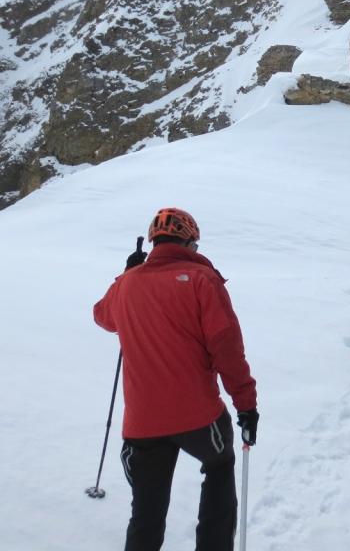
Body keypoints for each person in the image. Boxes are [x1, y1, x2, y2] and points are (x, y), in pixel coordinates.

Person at [93, 207, 258, 551]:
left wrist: (126, 274)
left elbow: (103, 316)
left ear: (154, 242)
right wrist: (246, 405)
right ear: (188, 242)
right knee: (220, 465)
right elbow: (226, 348)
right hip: (199, 417)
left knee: (146, 513)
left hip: (142, 423)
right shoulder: (202, 280)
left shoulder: (127, 285)